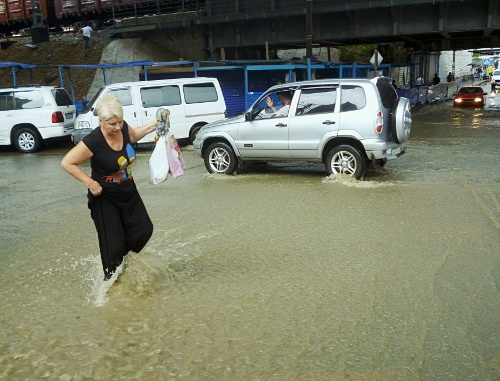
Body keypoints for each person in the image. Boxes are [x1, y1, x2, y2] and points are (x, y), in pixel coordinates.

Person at [61, 94, 157, 280]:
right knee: (113, 250)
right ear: (101, 121)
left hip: (128, 191)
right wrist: (89, 183)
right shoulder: (94, 141)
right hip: (105, 196)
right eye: (112, 124)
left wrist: (153, 125)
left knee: (144, 230)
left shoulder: (123, 127)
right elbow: (67, 162)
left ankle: (121, 259)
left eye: (120, 122)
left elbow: (133, 135)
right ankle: (111, 286)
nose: (118, 127)